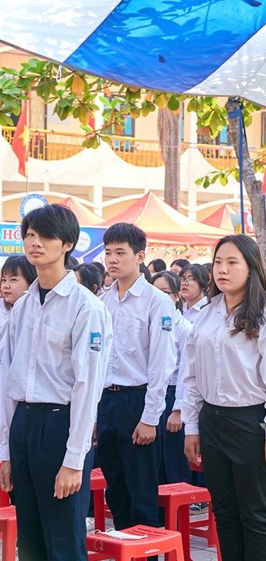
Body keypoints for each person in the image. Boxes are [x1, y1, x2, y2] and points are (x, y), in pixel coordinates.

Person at [0, 205, 112, 560]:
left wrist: (74, 459)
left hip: (59, 424)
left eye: (45, 235)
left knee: (63, 538)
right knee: (30, 538)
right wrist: (5, 452)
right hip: (24, 425)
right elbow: (8, 379)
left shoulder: (86, 307)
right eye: (30, 235)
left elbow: (87, 386)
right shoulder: (23, 307)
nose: (34, 242)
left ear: (67, 244)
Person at [182, 235, 266, 561]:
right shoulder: (206, 314)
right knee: (224, 512)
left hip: (252, 423)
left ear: (251, 267)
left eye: (232, 262)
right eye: (218, 262)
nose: (223, 269)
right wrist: (192, 426)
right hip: (212, 420)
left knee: (255, 514)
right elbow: (191, 376)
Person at [98, 223, 177, 531]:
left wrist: (150, 417)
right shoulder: (103, 301)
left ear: (140, 256)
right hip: (107, 400)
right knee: (115, 489)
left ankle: (145, 549)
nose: (112, 259)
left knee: (141, 491)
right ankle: (123, 547)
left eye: (120, 252)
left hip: (137, 400)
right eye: (108, 253)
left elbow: (162, 363)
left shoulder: (156, 301)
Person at [149, 270, 193, 486]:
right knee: (154, 461)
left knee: (174, 460)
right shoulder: (151, 323)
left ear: (176, 296)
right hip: (152, 393)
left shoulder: (184, 328)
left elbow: (186, 371)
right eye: (155, 292)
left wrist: (178, 410)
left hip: (173, 394)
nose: (159, 297)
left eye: (165, 292)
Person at [1, 255, 37, 328]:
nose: (6, 286)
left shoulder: (37, 311)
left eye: (13, 280)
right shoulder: (2, 307)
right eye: (4, 280)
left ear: (31, 281)